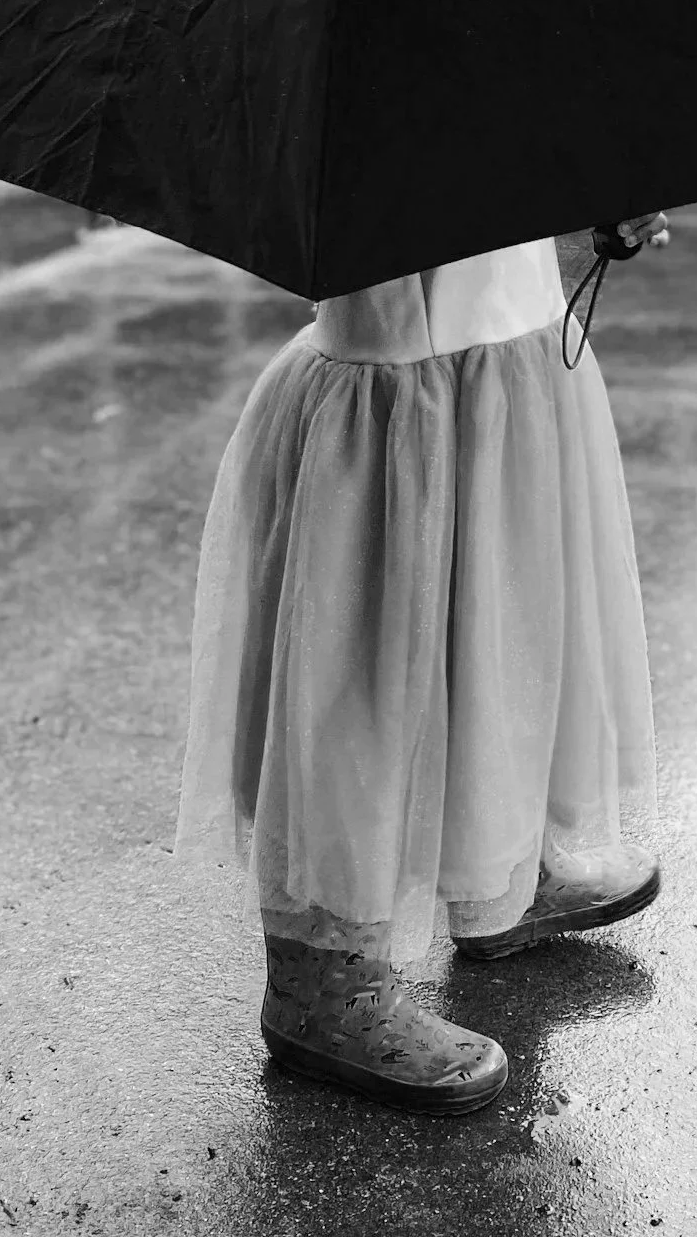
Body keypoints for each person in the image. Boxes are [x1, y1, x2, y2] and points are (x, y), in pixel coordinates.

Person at [175, 214, 669, 1114]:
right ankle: (322, 976)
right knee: (368, 679)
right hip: (398, 382)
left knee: (511, 625)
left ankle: (499, 867)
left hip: (510, 357)